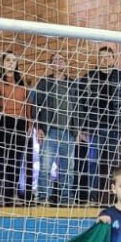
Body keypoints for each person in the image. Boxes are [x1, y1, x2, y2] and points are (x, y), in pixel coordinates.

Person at [77, 46, 121, 204]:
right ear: (98, 59)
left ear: (113, 59)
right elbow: (81, 104)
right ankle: (93, 197)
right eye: (102, 57)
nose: (105, 60)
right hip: (95, 129)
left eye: (108, 57)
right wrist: (82, 127)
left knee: (114, 166)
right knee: (94, 164)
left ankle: (113, 199)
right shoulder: (89, 77)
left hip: (116, 129)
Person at [30, 52, 80, 205]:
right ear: (51, 65)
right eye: (55, 60)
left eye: (61, 59)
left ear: (65, 63)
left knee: (68, 169)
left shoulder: (73, 84)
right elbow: (35, 105)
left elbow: (78, 109)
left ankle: (66, 200)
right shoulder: (44, 82)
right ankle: (44, 198)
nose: (58, 62)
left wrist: (77, 130)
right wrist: (38, 127)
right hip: (49, 131)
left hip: (68, 132)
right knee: (45, 167)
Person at [0, 50, 31, 205]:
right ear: (2, 62)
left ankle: (10, 195)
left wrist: (29, 123)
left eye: (13, 60)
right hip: (4, 122)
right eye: (8, 60)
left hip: (20, 123)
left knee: (15, 162)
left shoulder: (22, 83)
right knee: (1, 160)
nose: (10, 62)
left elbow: (28, 105)